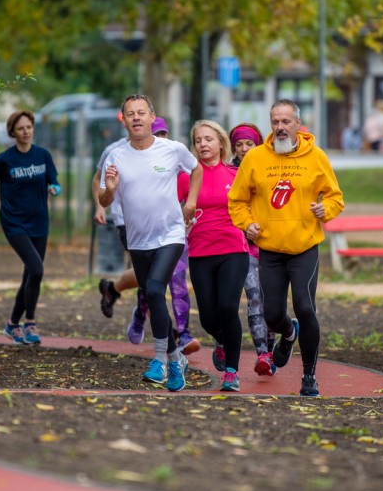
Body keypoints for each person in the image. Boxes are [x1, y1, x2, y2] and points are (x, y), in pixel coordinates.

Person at [228, 100, 344, 397]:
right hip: (271, 249)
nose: (280, 127)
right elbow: (237, 200)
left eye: (286, 122)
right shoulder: (256, 158)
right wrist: (247, 224)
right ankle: (289, 332)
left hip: (304, 246)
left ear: (297, 124)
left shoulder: (316, 156)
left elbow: (335, 197)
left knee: (305, 307)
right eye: (275, 122)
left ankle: (309, 376)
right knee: (272, 314)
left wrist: (326, 210)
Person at [99, 96, 202, 392]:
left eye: (141, 113)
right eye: (130, 114)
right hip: (138, 241)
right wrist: (111, 190)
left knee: (155, 290)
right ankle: (176, 359)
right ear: (124, 120)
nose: (136, 118)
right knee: (153, 297)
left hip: (170, 235)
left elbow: (196, 169)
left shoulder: (172, 149)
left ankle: (159, 361)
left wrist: (191, 202)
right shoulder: (116, 156)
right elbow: (104, 199)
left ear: (151, 117)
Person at [0, 110, 61, 345]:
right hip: (14, 223)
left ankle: (12, 324)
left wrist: (55, 188)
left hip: (40, 223)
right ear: (12, 132)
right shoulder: (4, 160)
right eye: (21, 128)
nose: (26, 132)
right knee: (37, 269)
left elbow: (55, 182)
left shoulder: (43, 155)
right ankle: (30, 322)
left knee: (31, 275)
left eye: (29, 127)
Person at [177, 120, 249, 391]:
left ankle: (232, 371)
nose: (203, 144)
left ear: (220, 142)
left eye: (208, 139)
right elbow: (170, 206)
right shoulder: (186, 176)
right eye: (198, 140)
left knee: (228, 307)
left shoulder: (235, 174)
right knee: (208, 318)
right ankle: (222, 340)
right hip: (200, 251)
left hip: (233, 249)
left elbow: (254, 204)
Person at [228, 122, 276, 377]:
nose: (244, 149)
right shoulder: (228, 173)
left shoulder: (270, 169)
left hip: (269, 245)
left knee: (271, 303)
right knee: (253, 296)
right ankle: (262, 354)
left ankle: (271, 345)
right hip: (240, 248)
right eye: (239, 144)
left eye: (249, 144)